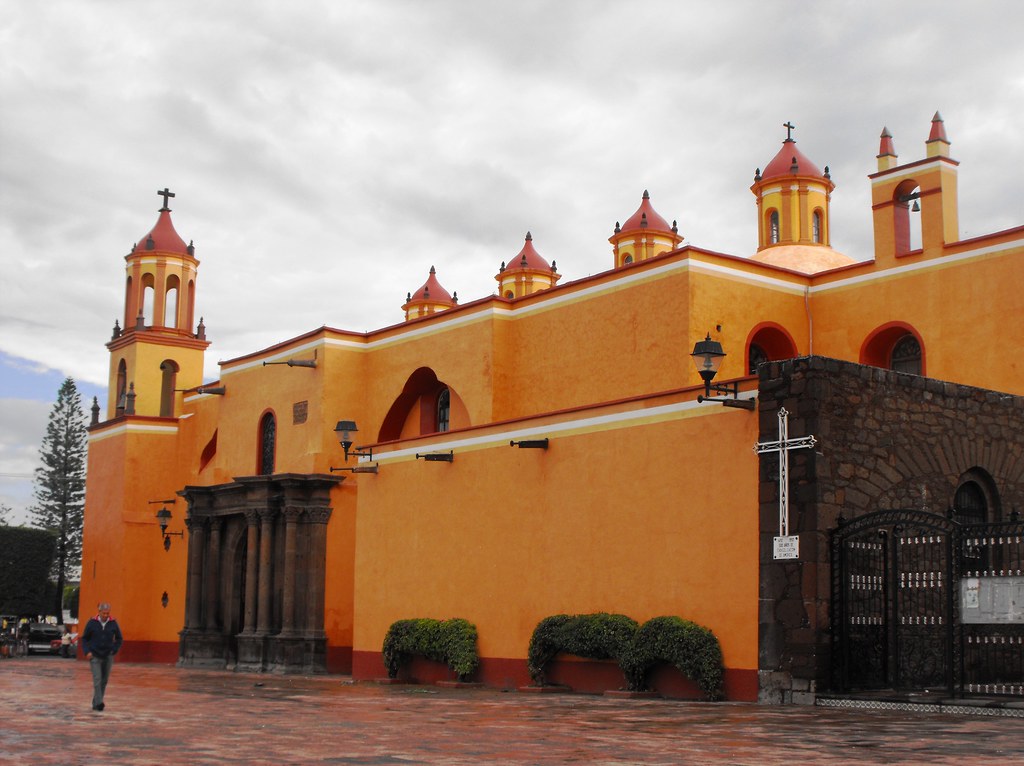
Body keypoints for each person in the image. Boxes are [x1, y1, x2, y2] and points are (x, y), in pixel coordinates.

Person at [80, 602, 123, 711]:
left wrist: (114, 649)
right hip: (94, 655)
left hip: (108, 655)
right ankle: (99, 703)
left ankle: (96, 702)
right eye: (103, 613)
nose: (105, 615)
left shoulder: (113, 623)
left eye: (107, 613)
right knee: (97, 679)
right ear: (99, 612)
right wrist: (86, 651)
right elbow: (84, 638)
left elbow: (119, 638)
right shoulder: (92, 623)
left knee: (104, 680)